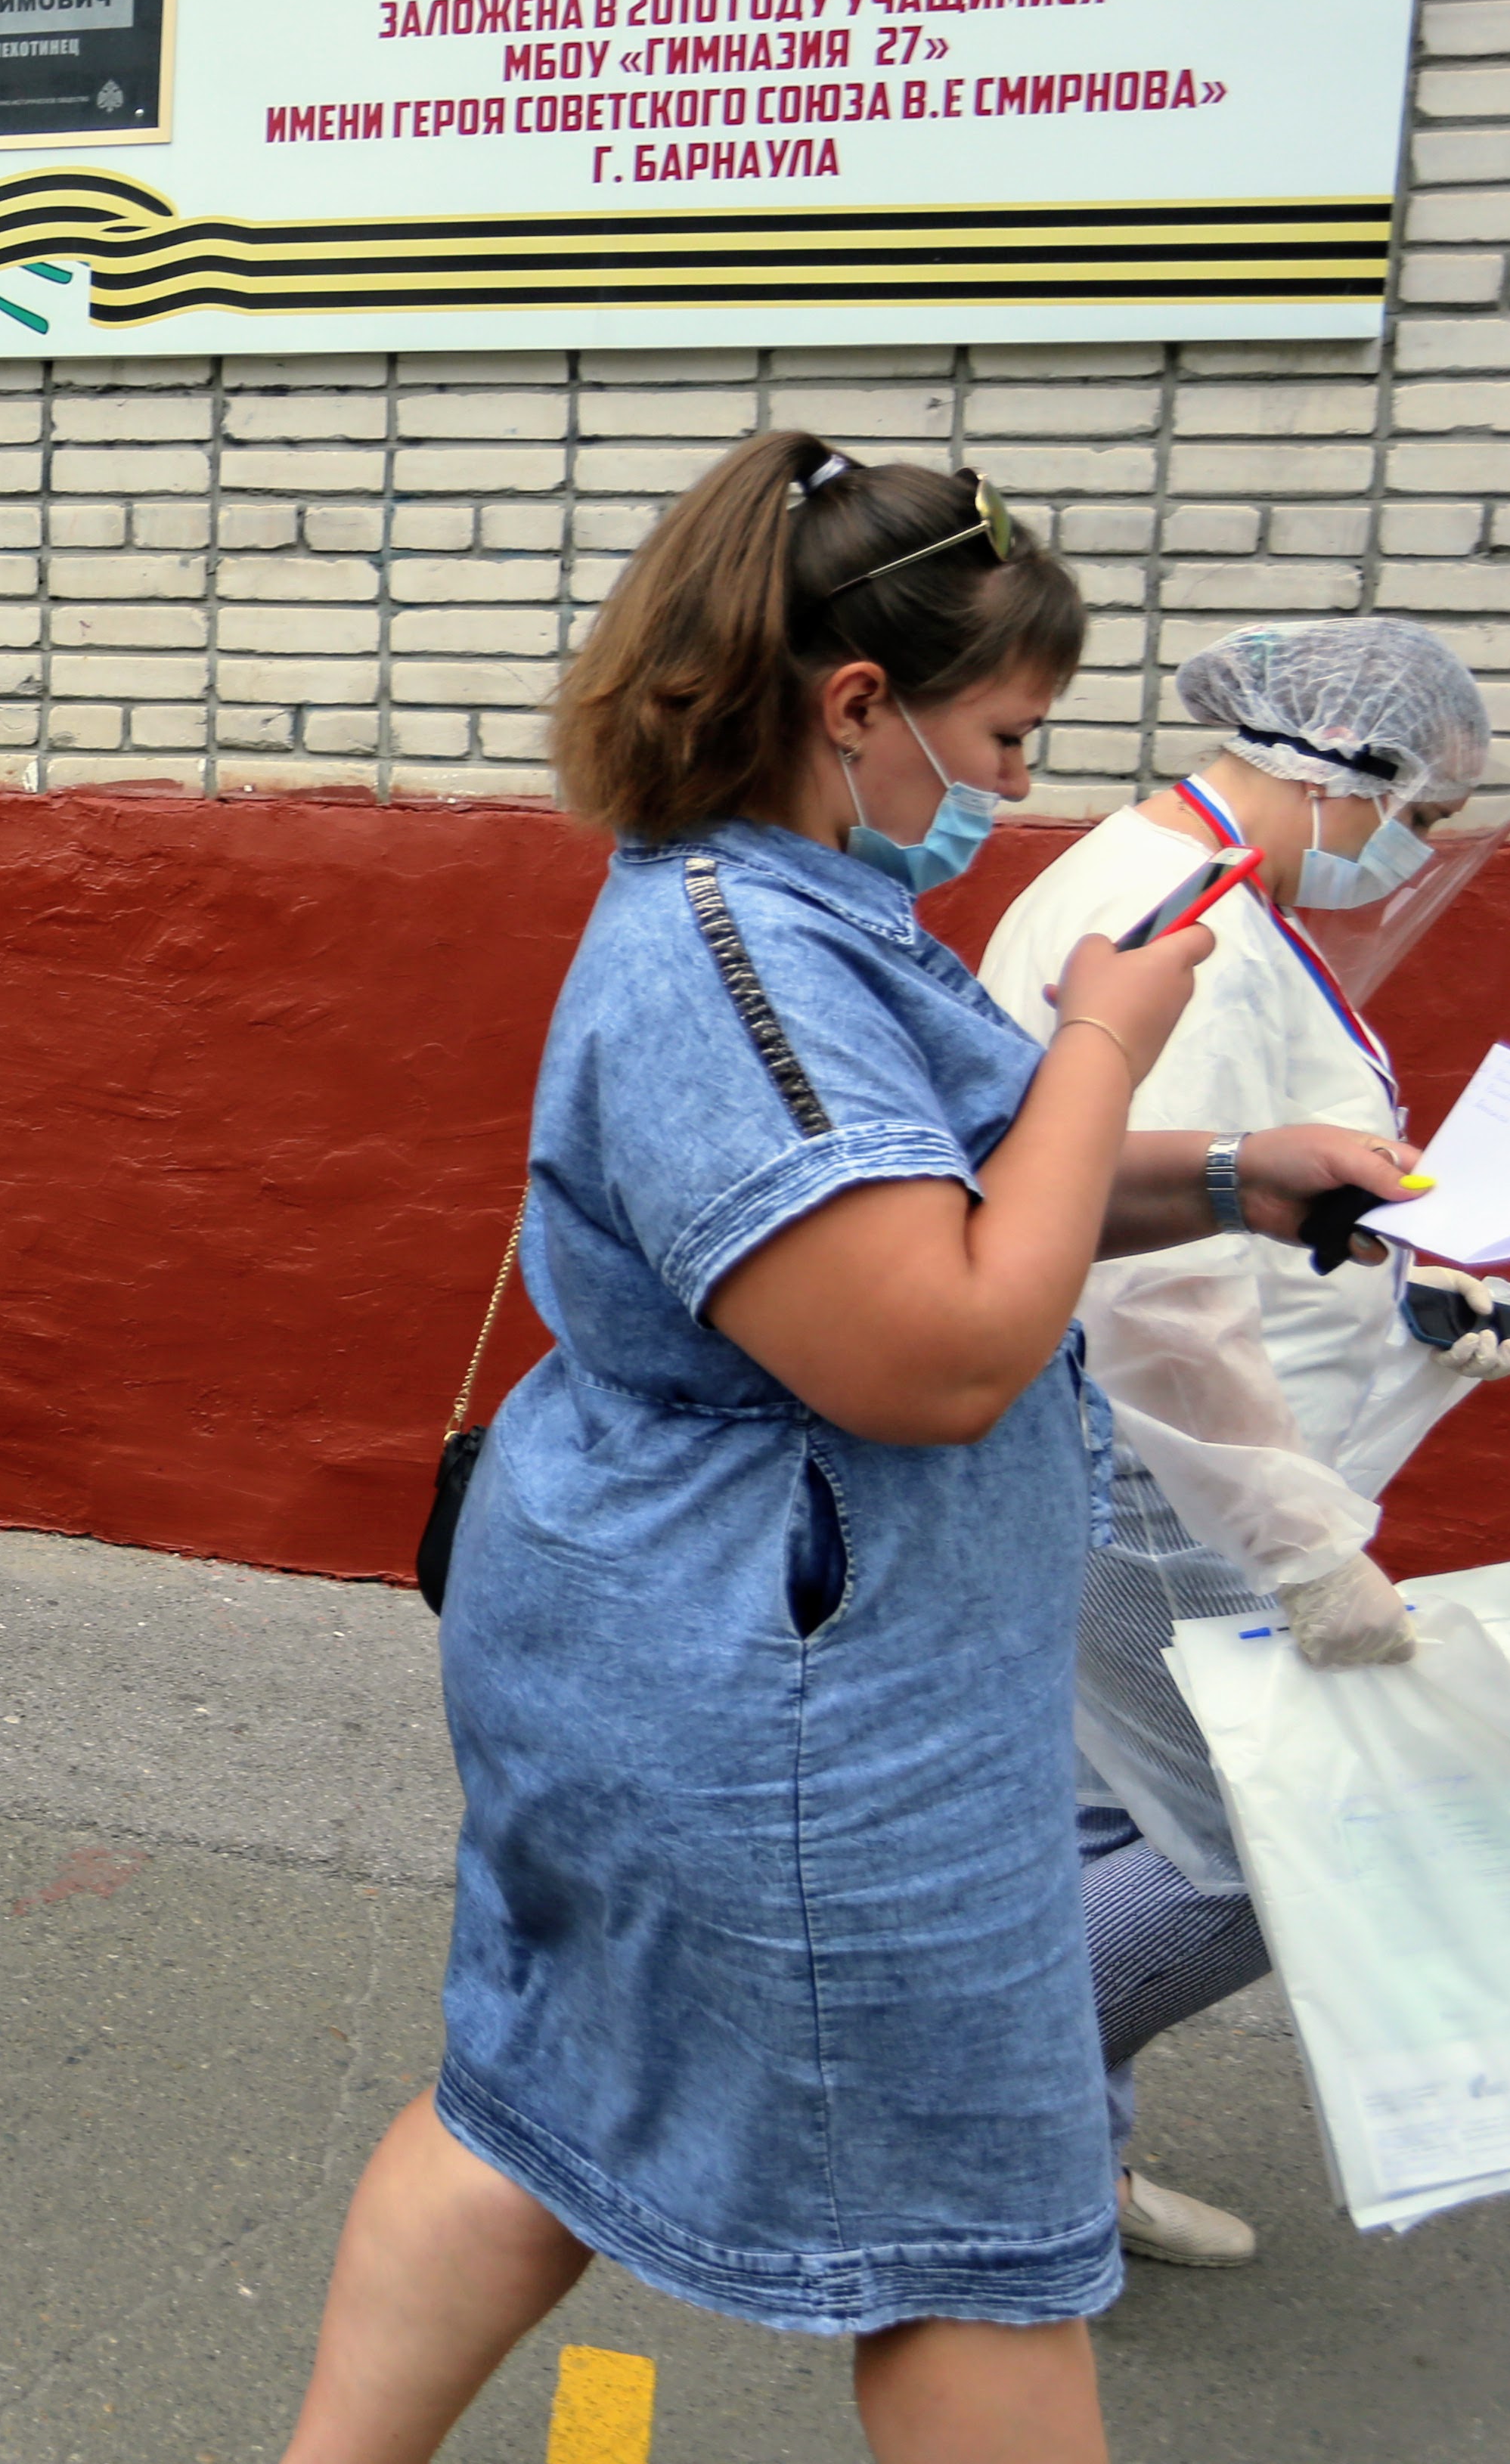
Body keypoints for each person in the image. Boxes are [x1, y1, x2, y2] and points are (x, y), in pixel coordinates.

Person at [274, 435, 1417, 2464]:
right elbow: (938, 1348)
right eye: (1004, 736)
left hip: (734, 1657)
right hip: (791, 1706)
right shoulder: (741, 959)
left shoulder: (791, 909)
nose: (1013, 788)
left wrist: (1236, 1173)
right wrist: (1104, 1040)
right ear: (859, 705)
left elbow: (964, 1187)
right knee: (976, 2242)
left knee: (546, 2108)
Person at [974, 618, 1510, 2270]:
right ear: (1341, 771)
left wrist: (1420, 1301)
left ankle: (1051, 2181)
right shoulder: (1187, 925)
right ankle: (955, 2111)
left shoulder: (1193, 890)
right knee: (1250, 1856)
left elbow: (1239, 1190)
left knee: (1105, 1828)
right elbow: (1158, 1292)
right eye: (1418, 815)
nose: (1409, 851)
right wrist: (1306, 1554)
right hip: (1167, 1472)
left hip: (1157, 1455)